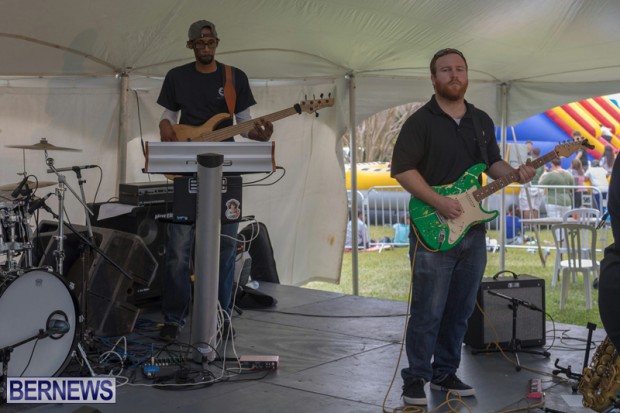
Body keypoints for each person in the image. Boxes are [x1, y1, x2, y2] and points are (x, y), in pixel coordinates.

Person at [390, 48, 535, 406]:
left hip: (472, 232)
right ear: (433, 78)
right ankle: (416, 377)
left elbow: (492, 163)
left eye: (460, 69)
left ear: (467, 75)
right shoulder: (420, 121)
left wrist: (516, 174)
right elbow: (403, 170)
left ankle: (445, 373)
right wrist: (439, 202)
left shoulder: (480, 120)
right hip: (433, 229)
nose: (454, 75)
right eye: (446, 70)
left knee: (460, 310)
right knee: (428, 310)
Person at [157, 20, 273, 341]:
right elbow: (168, 116)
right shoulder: (177, 76)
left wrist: (260, 135)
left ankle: (221, 315)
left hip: (226, 170)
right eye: (200, 43)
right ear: (191, 46)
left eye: (210, 43)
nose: (206, 48)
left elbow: (245, 124)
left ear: (217, 43)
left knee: (225, 247)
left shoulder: (235, 77)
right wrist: (165, 125)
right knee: (179, 248)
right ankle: (174, 318)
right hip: (187, 168)